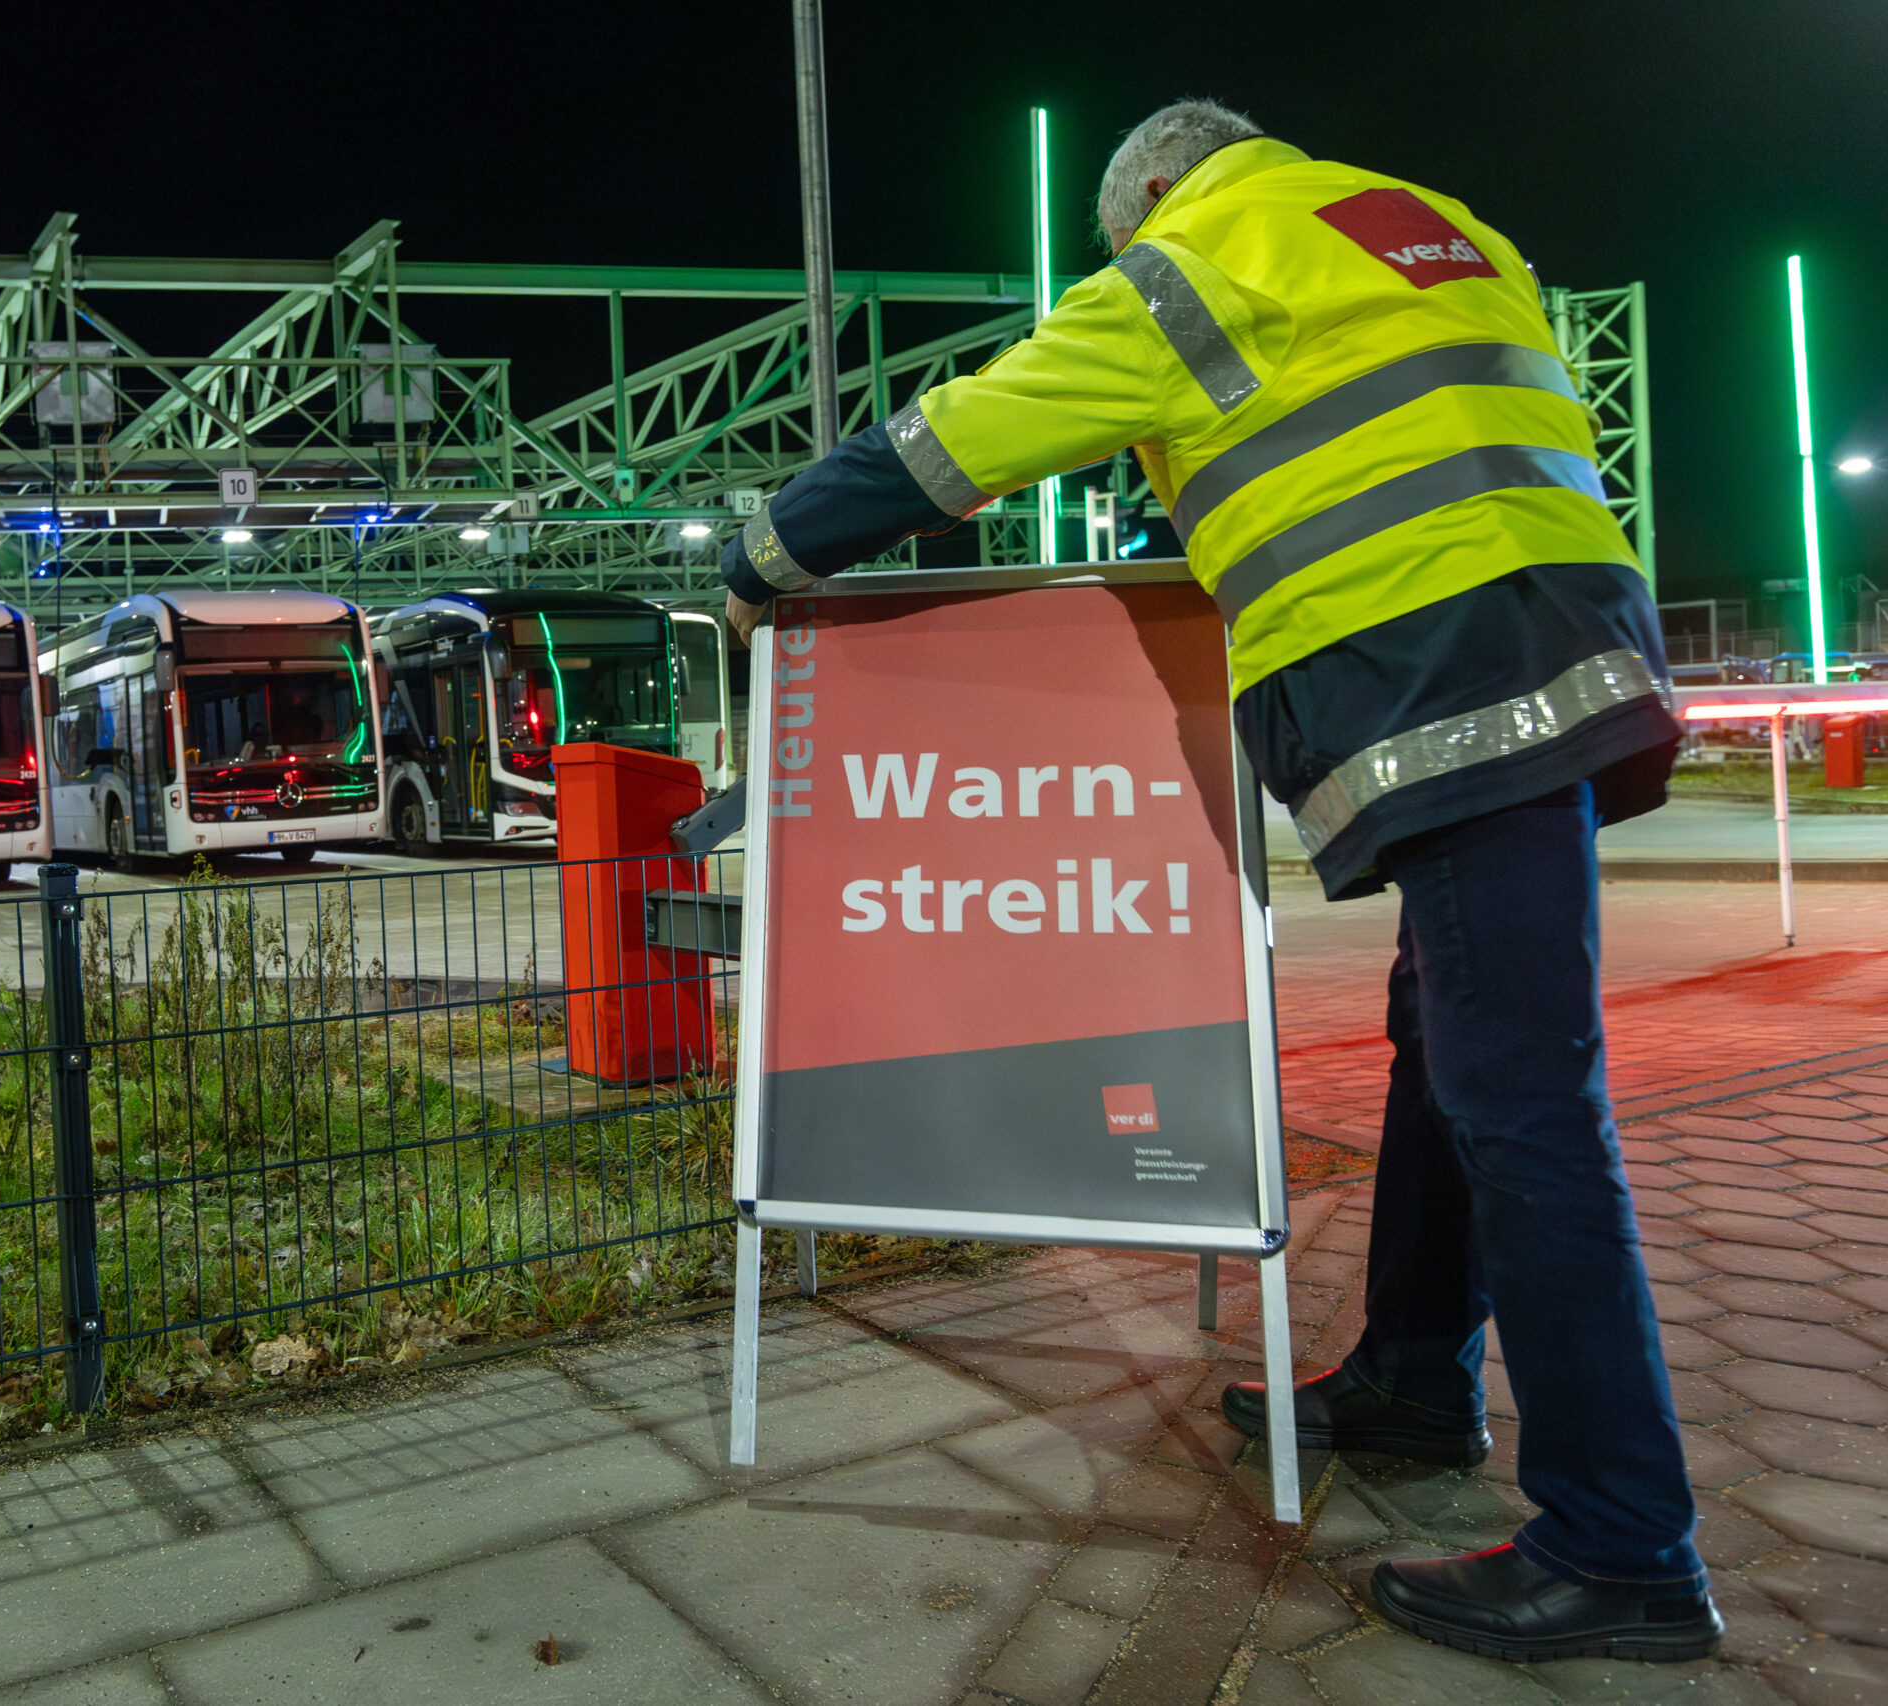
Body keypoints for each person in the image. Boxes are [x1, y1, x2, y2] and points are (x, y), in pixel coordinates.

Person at [718, 100, 1713, 1663]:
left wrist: (763, 555)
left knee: (1526, 1104)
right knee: (1443, 1048)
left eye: (1120, 242)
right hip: (1570, 651)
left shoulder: (1187, 266)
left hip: (1436, 672)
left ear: (1155, 196)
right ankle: (1411, 1372)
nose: (1124, 264)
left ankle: (1625, 1540)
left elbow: (959, 439)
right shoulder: (1427, 221)